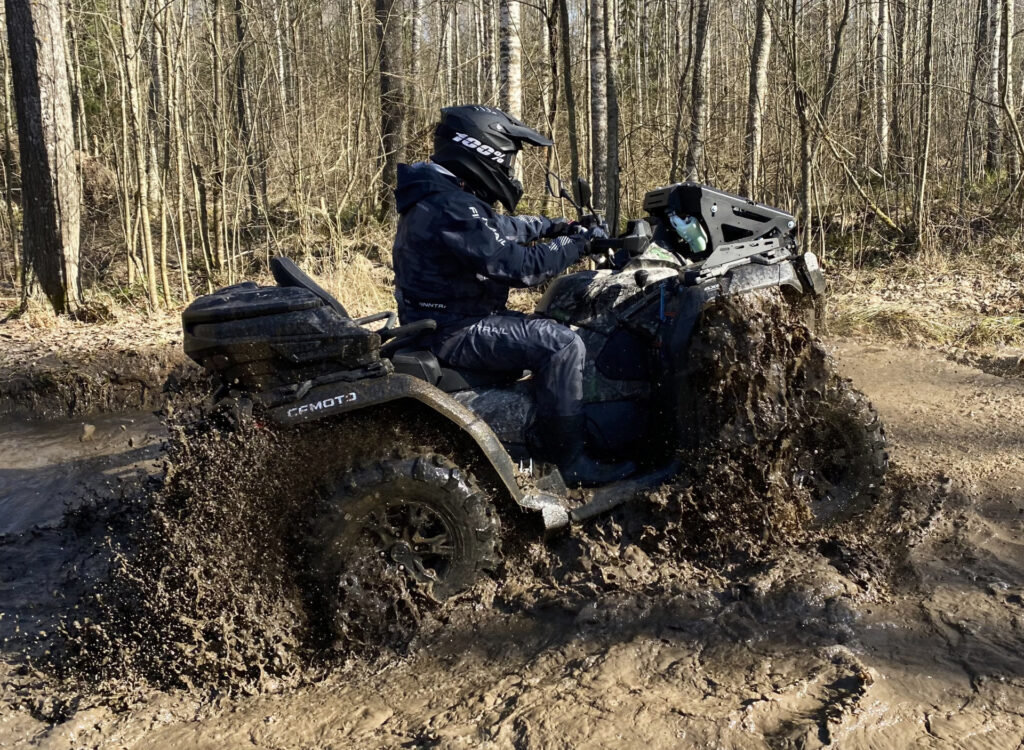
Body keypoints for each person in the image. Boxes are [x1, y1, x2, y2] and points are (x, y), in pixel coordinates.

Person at [391, 105, 634, 486]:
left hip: (447, 322)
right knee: (562, 343)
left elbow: (504, 227)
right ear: (482, 149)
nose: (508, 169)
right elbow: (519, 266)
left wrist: (559, 226)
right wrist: (578, 242)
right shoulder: (448, 205)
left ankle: (535, 430)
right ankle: (570, 463)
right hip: (455, 331)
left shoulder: (441, 195)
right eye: (507, 159)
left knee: (549, 327)